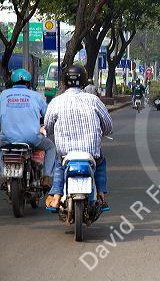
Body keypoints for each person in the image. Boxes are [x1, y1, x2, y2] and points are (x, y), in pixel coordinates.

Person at [44, 65, 113, 209]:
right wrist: (103, 132)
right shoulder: (93, 100)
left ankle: (56, 197)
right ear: (83, 82)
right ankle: (101, 195)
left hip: (66, 153)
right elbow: (108, 126)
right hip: (90, 153)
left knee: (59, 164)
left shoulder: (56, 102)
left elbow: (48, 127)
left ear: (65, 81)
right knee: (100, 162)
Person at [0, 69, 55, 188]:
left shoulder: (3, 95)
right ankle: (46, 177)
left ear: (12, 82)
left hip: (7, 138)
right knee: (51, 147)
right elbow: (47, 115)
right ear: (28, 83)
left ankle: (2, 174)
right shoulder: (36, 96)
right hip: (32, 138)